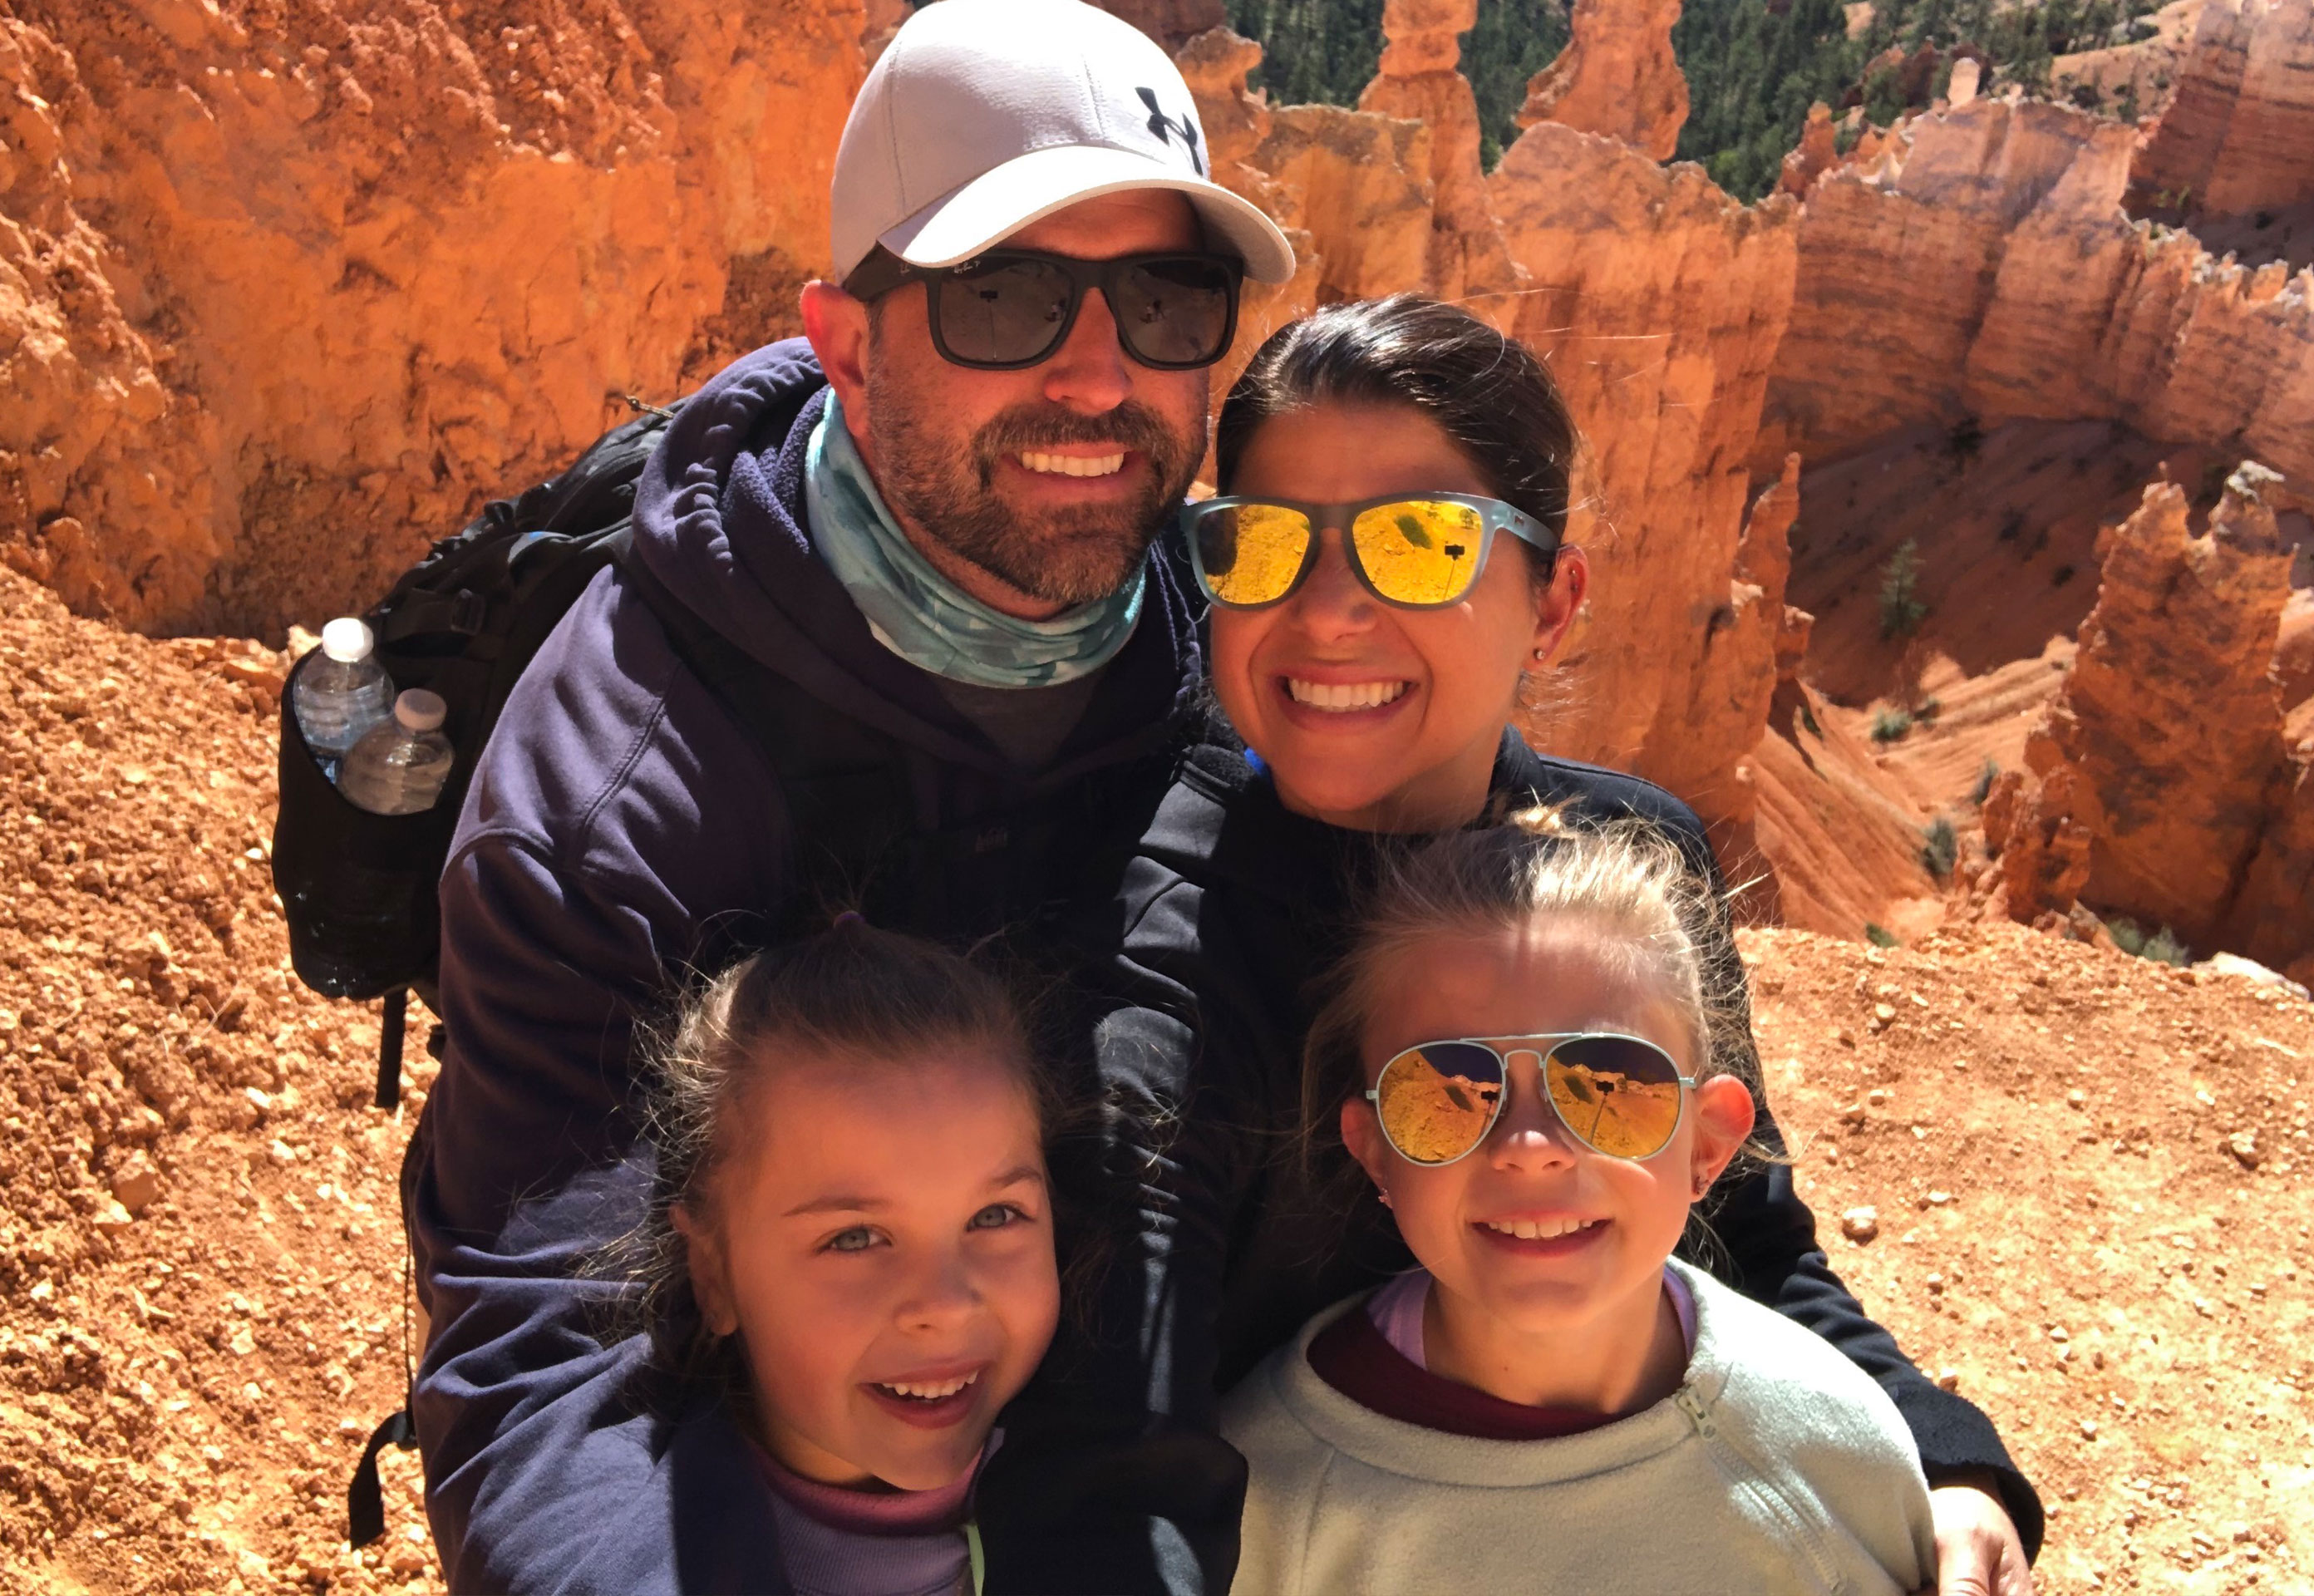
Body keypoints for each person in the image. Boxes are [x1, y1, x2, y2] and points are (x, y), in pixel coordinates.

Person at [403, 2, 1294, 1589]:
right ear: (843, 339)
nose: (1102, 379)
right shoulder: (615, 800)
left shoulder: (1224, 630)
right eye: (1006, 297)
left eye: (1170, 297)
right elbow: (548, 1353)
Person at [1058, 295, 2042, 1593]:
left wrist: (1944, 1455)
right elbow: (1116, 1443)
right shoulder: (1149, 923)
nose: (1330, 611)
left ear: (1556, 598)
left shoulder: (1627, 864)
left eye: (1422, 543)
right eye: (1261, 545)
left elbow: (1743, 1223)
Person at [1223, 817, 1938, 1594]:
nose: (1529, 1146)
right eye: (1446, 1093)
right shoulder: (1262, 1502)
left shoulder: (1832, 1444)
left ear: (1706, 1146)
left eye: (1609, 1082)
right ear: (1375, 1152)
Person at [619, 918, 1061, 1596]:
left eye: (995, 1216)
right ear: (714, 1276)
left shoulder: (1103, 1485)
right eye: (854, 1237)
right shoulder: (655, 1554)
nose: (945, 1305)